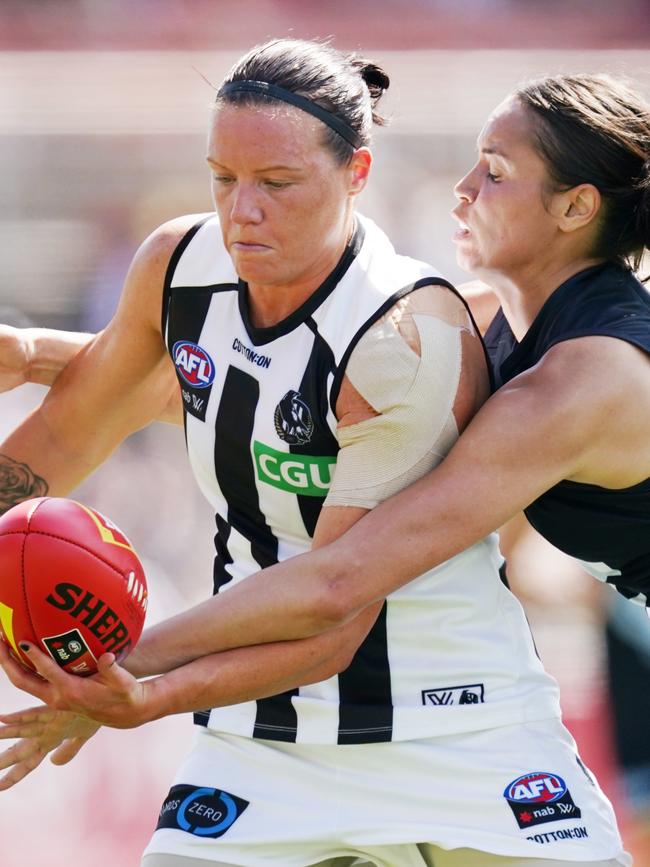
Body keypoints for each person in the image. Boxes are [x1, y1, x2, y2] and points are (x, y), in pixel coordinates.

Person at [0, 42, 632, 866]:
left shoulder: (416, 336)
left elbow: (335, 599)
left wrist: (127, 675)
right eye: (222, 178)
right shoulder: (180, 270)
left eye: (278, 183)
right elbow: (99, 421)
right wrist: (42, 351)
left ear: (357, 173)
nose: (241, 211)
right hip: (263, 740)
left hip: (460, 728)